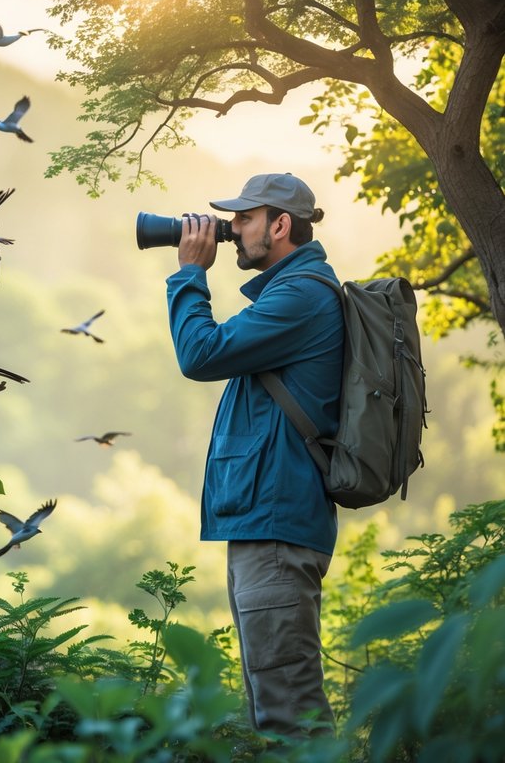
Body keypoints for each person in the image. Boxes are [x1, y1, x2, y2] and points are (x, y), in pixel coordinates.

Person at [165, 172, 343, 737]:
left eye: (245, 218)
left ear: (281, 225)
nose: (231, 229)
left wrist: (190, 273)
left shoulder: (301, 295)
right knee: (274, 706)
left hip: (276, 524)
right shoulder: (290, 292)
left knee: (289, 712)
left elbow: (199, 354)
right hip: (265, 522)